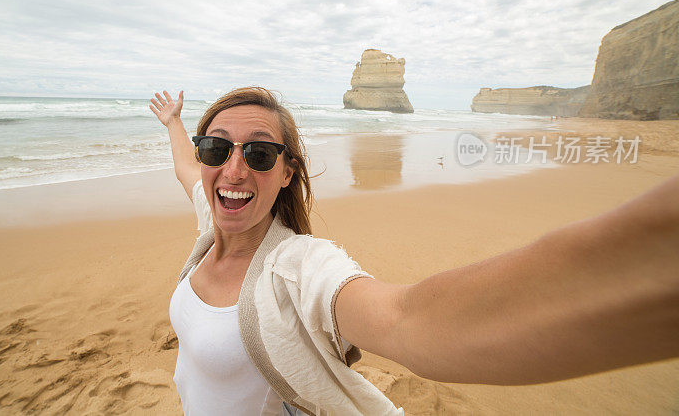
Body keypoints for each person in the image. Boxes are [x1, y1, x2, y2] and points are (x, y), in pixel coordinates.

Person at [149, 87, 679, 416]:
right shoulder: (213, 221)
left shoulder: (297, 268)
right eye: (217, 148)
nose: (235, 169)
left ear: (287, 174)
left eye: (260, 153)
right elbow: (184, 172)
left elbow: (408, 320)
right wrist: (174, 122)